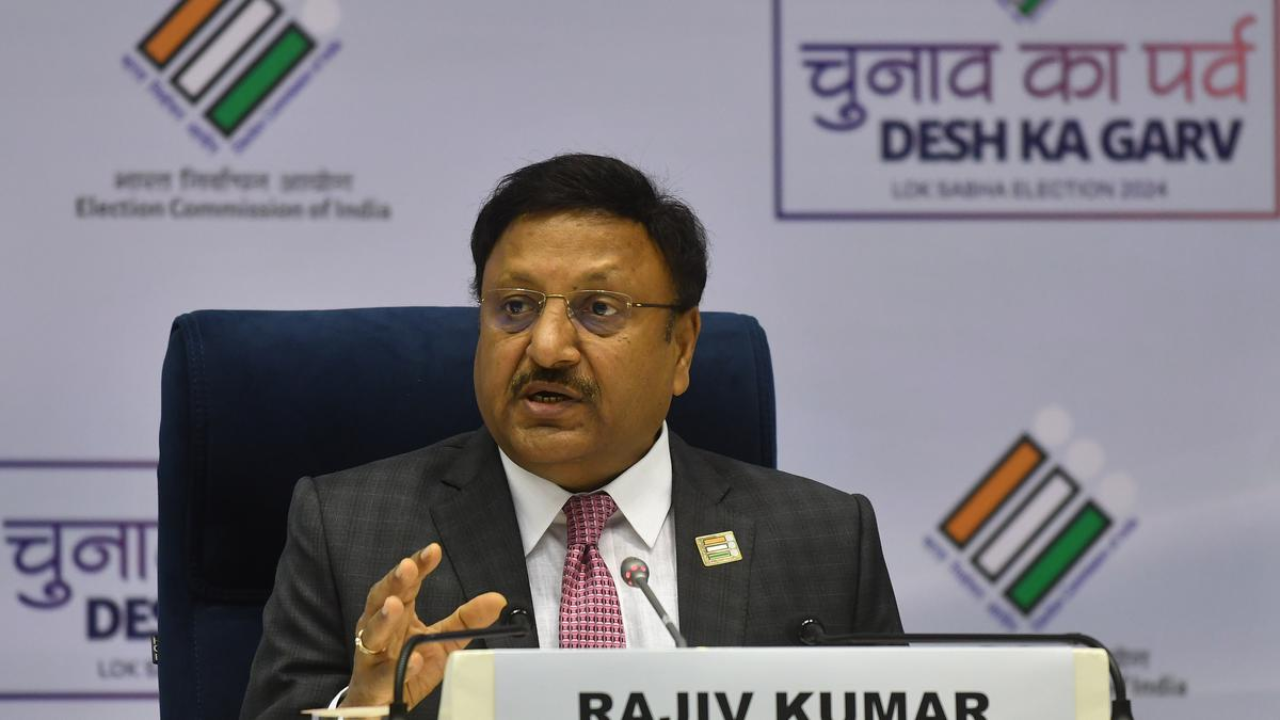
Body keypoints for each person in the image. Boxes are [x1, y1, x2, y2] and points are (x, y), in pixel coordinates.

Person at [239, 154, 902, 719]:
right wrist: (362, 710)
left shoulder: (825, 538)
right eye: (515, 307)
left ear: (681, 346)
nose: (548, 347)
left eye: (599, 309)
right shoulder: (346, 530)